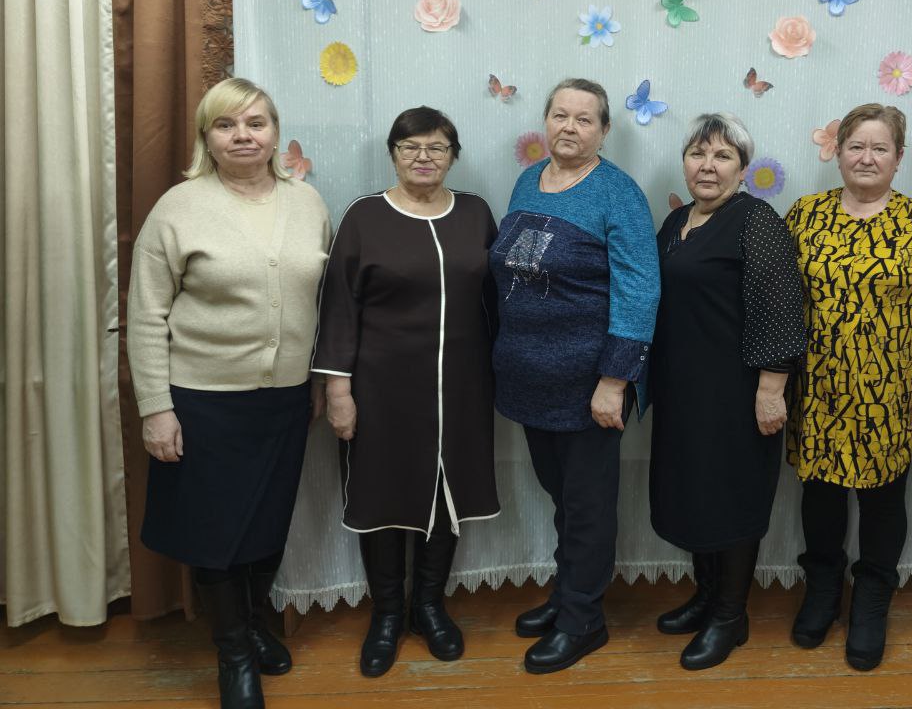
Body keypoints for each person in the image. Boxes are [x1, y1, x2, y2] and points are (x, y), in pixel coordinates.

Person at [128, 78, 331, 709]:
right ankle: (234, 652)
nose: (243, 136)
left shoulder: (308, 203)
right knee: (212, 533)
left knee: (267, 525)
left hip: (283, 401)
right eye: (226, 125)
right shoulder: (178, 208)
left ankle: (253, 623)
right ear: (207, 138)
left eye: (255, 123)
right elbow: (146, 315)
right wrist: (156, 409)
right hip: (202, 401)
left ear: (274, 132)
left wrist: (317, 379)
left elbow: (322, 303)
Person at [311, 106, 500, 677]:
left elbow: (498, 300)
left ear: (453, 156)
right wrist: (338, 390)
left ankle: (429, 606)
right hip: (381, 390)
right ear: (393, 154)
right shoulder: (365, 216)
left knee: (447, 493)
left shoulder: (475, 213)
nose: (423, 157)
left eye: (437, 147)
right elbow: (338, 308)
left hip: (462, 388)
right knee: (383, 496)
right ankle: (388, 614)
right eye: (410, 146)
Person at [786, 103, 912, 672]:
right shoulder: (804, 215)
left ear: (899, 157)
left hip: (891, 396)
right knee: (819, 497)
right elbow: (778, 302)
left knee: (883, 500)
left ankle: (871, 600)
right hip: (816, 392)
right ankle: (822, 591)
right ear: (838, 152)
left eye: (879, 148)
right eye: (856, 146)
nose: (866, 158)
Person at [490, 78, 660, 674]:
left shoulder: (619, 193)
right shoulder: (527, 180)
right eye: (560, 114)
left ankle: (584, 620)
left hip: (589, 385)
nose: (569, 127)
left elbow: (640, 291)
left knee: (587, 506)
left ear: (604, 131)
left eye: (584, 119)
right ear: (546, 120)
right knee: (560, 496)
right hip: (528, 377)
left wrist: (615, 380)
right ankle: (569, 594)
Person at [647, 113, 806, 670]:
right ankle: (707, 596)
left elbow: (780, 308)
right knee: (694, 493)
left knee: (733, 497)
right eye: (698, 154)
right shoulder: (677, 221)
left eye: (722, 156)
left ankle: (731, 615)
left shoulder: (756, 221)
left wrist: (771, 389)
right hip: (683, 391)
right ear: (684, 162)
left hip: (737, 394)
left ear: (742, 168)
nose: (707, 166)